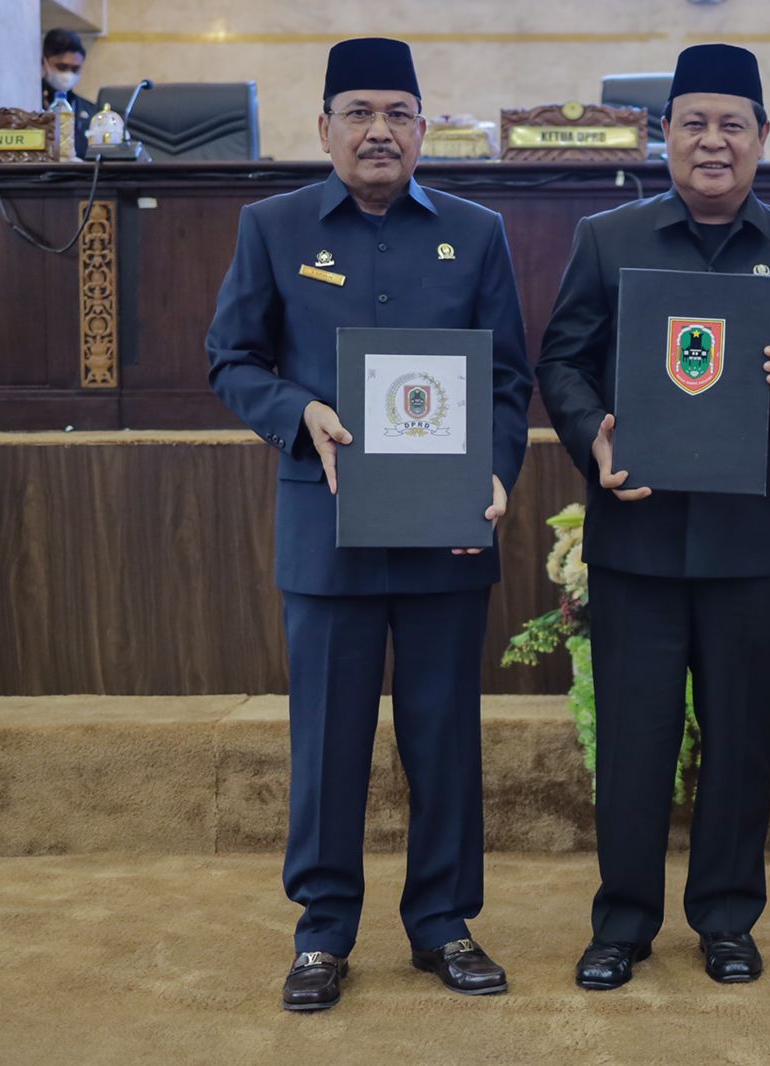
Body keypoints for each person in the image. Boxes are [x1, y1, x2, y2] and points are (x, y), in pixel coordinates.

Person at [205, 37, 532, 1011]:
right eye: (358, 112)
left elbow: (506, 379)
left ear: (425, 127)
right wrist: (298, 413)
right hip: (327, 529)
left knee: (444, 739)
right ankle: (321, 934)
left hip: (446, 529)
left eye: (397, 112)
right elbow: (232, 359)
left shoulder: (476, 232)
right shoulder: (272, 227)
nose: (378, 129)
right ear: (324, 128)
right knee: (327, 742)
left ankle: (443, 923)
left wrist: (495, 471)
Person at [537, 43, 770, 990]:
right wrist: (591, 434)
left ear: (762, 137)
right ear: (665, 135)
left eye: (732, 125)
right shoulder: (608, 238)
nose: (712, 141)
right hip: (636, 535)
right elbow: (562, 360)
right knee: (634, 743)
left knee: (740, 740)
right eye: (694, 124)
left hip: (751, 543)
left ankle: (725, 918)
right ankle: (622, 924)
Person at [41, 27, 92, 159]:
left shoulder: (90, 111)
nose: (68, 74)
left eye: (75, 69)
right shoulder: (28, 101)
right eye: (62, 67)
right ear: (44, 62)